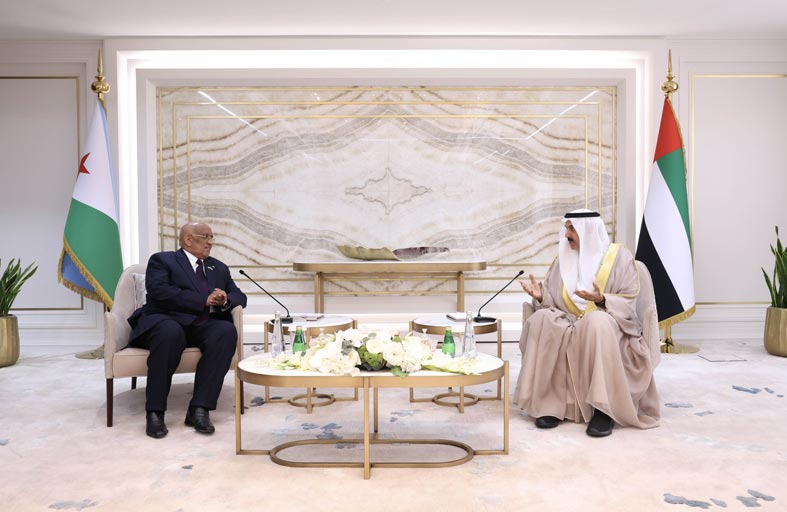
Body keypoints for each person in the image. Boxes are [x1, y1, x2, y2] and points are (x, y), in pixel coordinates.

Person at [512, 209, 659, 437]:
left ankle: (603, 410)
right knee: (543, 318)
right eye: (566, 228)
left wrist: (602, 300)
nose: (566, 235)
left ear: (588, 230)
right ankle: (553, 405)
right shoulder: (561, 261)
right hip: (570, 322)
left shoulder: (619, 258)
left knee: (596, 322)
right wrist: (541, 297)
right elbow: (555, 302)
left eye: (572, 229)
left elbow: (629, 301)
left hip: (610, 324)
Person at [128, 222, 247, 439]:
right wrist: (203, 300)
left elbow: (240, 296)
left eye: (211, 237)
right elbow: (160, 292)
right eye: (205, 237)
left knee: (225, 331)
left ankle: (199, 409)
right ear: (188, 239)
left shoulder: (218, 267)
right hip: (165, 320)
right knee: (170, 333)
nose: (210, 242)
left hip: (200, 325)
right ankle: (155, 412)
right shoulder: (162, 260)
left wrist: (225, 299)